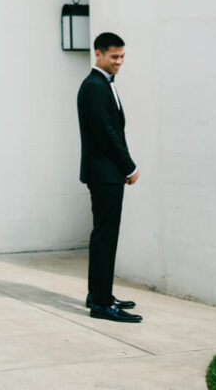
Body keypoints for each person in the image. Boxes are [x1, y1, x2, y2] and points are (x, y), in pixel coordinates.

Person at [77, 31, 143, 323]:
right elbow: (107, 134)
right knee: (106, 237)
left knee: (103, 235)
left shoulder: (102, 84)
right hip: (105, 174)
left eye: (122, 56)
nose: (119, 62)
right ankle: (102, 304)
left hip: (107, 173)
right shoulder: (93, 86)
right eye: (114, 57)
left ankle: (98, 293)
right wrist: (129, 166)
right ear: (98, 54)